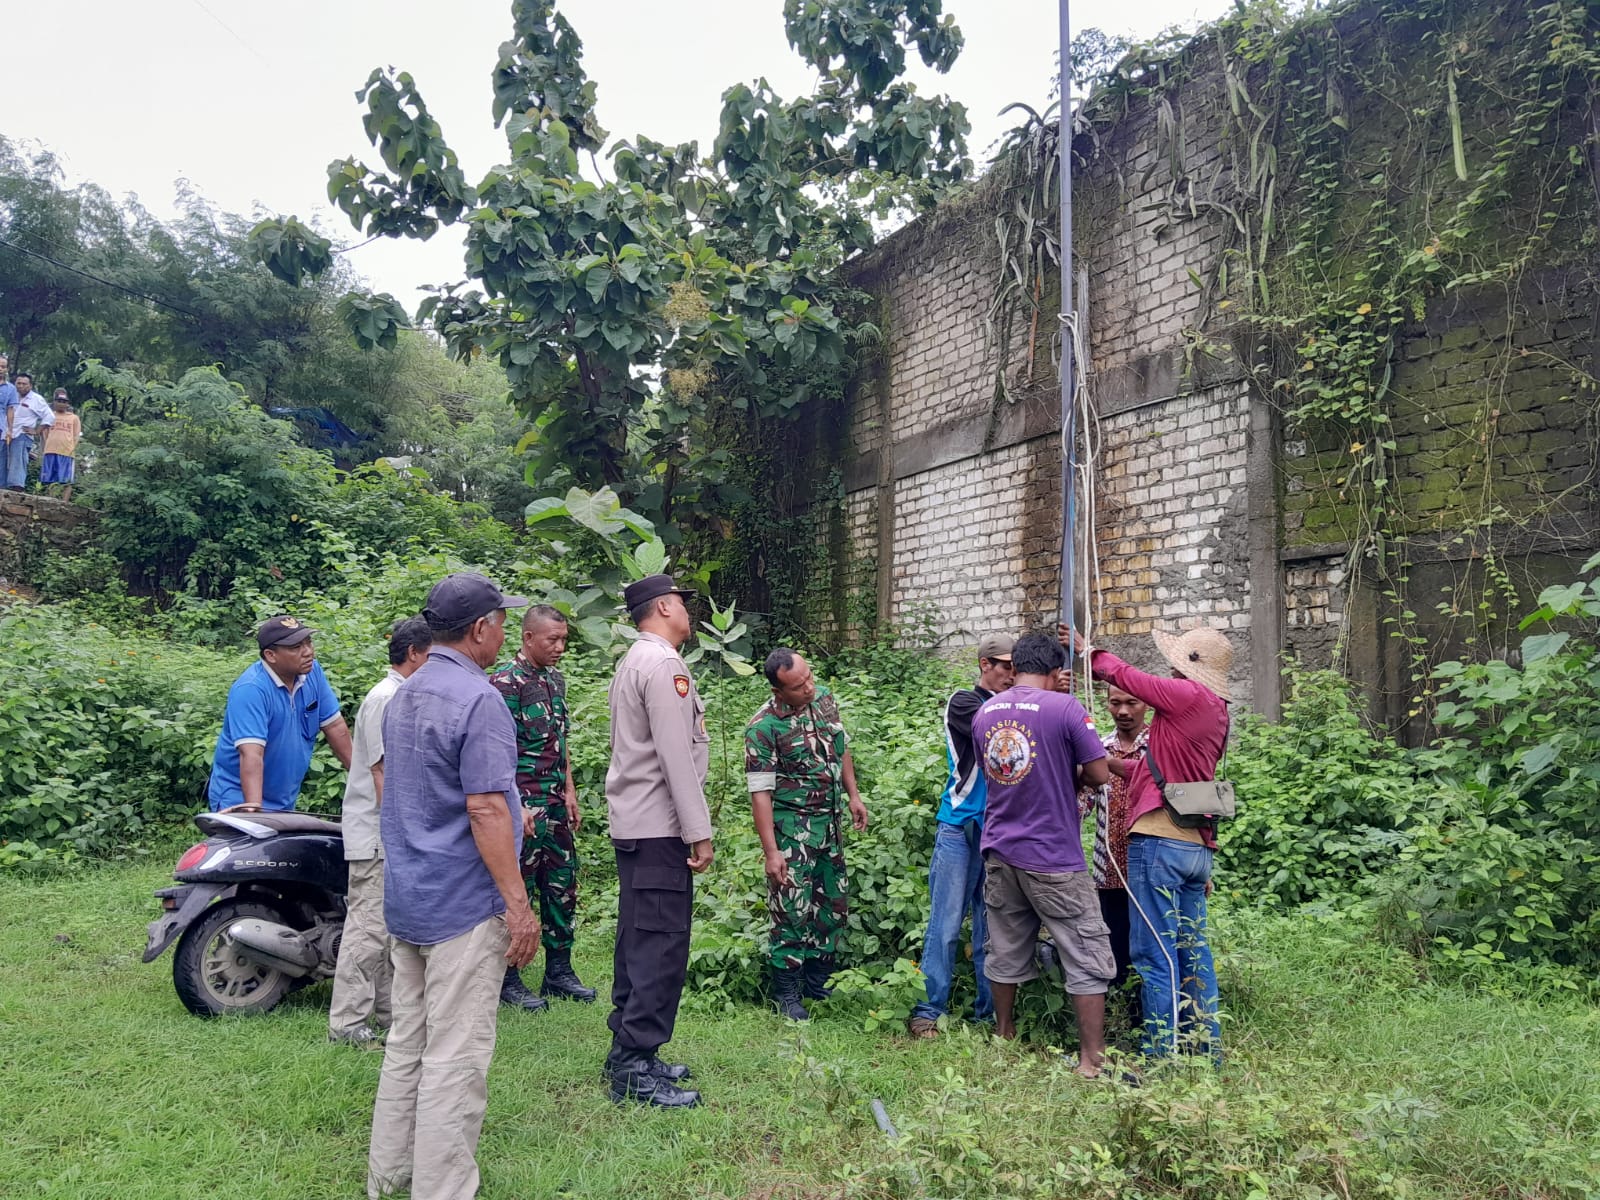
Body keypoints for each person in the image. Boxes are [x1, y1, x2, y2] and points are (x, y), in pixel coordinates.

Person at [368, 572, 537, 1200]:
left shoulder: (404, 693)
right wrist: (518, 906)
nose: (505, 631)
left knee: (407, 1041)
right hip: (462, 906)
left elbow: (426, 794)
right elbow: (484, 809)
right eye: (501, 620)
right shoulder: (480, 699)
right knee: (456, 1057)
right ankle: (441, 1189)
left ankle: (388, 1176)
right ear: (480, 629)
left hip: (409, 896)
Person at [1067, 624, 1232, 1061]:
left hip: (1159, 841)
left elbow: (1131, 678)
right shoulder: (1216, 710)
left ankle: (1160, 1059)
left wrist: (1091, 655)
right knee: (1192, 951)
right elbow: (1163, 776)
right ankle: (1205, 1051)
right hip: (1195, 844)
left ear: (1186, 666)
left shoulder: (1188, 695)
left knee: (1154, 955)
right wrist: (1113, 767)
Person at [972, 631, 1112, 1076]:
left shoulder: (986, 711)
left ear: (1015, 669)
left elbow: (999, 770)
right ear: (1055, 672)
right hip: (1052, 853)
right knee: (1085, 949)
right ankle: (1091, 1060)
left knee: (1007, 947)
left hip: (1000, 849)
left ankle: (1004, 1034)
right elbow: (1098, 773)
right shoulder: (1066, 707)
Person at [602, 573, 714, 1109]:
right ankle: (632, 1067)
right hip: (658, 827)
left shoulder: (633, 660)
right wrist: (699, 832)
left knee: (637, 940)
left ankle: (630, 1052)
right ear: (665, 606)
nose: (689, 615)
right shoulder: (665, 664)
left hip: (636, 825)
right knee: (660, 945)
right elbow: (675, 756)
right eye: (683, 606)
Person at [745, 647, 869, 1022]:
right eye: (799, 687)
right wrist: (772, 852)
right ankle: (786, 991)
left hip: (828, 826)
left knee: (832, 902)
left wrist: (853, 794)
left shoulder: (824, 699)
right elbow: (760, 793)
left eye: (810, 678)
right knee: (791, 910)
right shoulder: (763, 728)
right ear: (779, 690)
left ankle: (819, 979)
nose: (810, 688)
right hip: (792, 831)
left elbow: (840, 746)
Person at [327, 616, 433, 1048]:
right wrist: (402, 832)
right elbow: (382, 772)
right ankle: (347, 1024)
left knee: (390, 931)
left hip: (387, 833)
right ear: (413, 654)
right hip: (376, 834)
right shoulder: (386, 698)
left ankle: (390, 1017)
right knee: (367, 930)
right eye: (431, 656)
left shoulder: (401, 694)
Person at [907, 633, 1015, 1039]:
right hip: (959, 825)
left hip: (998, 831)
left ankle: (988, 1015)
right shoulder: (964, 701)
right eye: (1005, 666)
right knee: (946, 925)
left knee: (991, 929)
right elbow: (999, 731)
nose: (1011, 674)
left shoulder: (1013, 702)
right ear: (985, 664)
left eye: (1017, 667)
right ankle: (927, 1010)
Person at [490, 603, 595, 1009]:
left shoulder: (555, 680)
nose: (560, 647)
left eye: (564, 640)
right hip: (523, 806)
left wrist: (569, 790)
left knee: (562, 886)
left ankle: (559, 972)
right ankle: (508, 977)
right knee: (520, 888)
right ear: (528, 637)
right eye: (553, 640)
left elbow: (559, 741)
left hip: (554, 802)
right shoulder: (504, 685)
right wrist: (514, 807)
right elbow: (498, 754)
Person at [208, 615, 352, 813]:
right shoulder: (251, 689)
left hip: (283, 800)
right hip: (239, 799)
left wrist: (361, 777)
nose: (308, 652)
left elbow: (335, 726)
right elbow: (251, 753)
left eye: (308, 642)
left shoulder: (312, 673)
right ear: (270, 655)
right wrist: (253, 811)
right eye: (296, 647)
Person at [1078, 684, 1150, 1014]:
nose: (1123, 711)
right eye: (1115, 703)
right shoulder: (1099, 749)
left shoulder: (1158, 748)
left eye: (1131, 703)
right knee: (1115, 945)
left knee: (1148, 946)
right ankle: (1120, 1016)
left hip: (1150, 868)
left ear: (1146, 704)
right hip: (1109, 869)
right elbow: (1082, 805)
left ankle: (1150, 1014)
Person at [41, 391, 80, 501]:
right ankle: (50, 500)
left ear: (68, 404)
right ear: (54, 402)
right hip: (50, 451)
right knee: (50, 478)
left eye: (64, 402)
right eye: (59, 401)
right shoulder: (49, 415)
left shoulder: (73, 418)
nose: (61, 404)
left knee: (66, 480)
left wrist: (72, 449)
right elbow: (45, 432)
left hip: (66, 453)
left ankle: (64, 502)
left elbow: (76, 435)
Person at [1, 362, 26, 491]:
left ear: (7, 369)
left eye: (3, 366)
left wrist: (10, 430)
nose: (0, 369)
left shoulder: (10, 389)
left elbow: (10, 410)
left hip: (1, 428)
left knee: (1, 460)